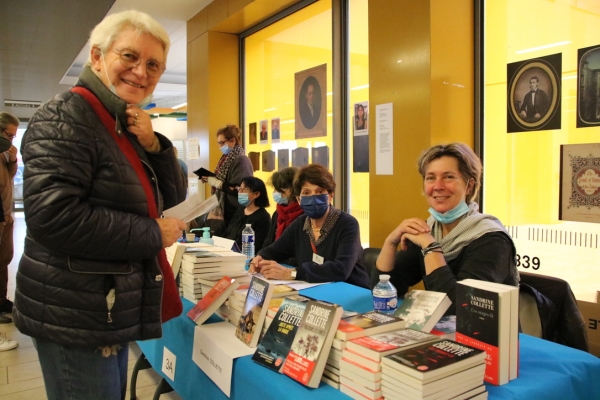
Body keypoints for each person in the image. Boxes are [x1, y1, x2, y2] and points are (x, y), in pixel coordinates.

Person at [13, 10, 187, 400]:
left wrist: (155, 146)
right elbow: (54, 217)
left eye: (153, 64)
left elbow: (170, 196)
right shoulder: (68, 116)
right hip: (77, 312)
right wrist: (152, 233)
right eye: (129, 56)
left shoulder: (118, 122)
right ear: (96, 57)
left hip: (100, 309)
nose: (141, 72)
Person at [375, 143, 518, 314]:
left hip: (488, 336)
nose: (438, 186)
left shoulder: (492, 240)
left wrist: (431, 248)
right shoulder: (430, 230)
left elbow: (459, 308)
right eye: (430, 178)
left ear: (469, 185)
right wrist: (391, 241)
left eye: (448, 177)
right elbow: (384, 290)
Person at [250, 164, 369, 288]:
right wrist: (260, 259)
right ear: (299, 199)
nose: (313, 197)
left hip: (350, 291)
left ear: (330, 196)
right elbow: (274, 250)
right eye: (306, 192)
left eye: (320, 191)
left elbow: (341, 269)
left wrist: (291, 273)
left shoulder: (347, 224)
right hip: (314, 291)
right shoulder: (300, 223)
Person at [200, 124, 253, 234]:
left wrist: (214, 182)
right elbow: (223, 181)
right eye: (218, 143)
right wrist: (210, 179)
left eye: (222, 142)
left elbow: (237, 188)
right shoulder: (225, 159)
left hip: (234, 209)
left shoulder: (241, 160)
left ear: (232, 141)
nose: (220, 146)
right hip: (225, 208)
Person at [0, 113, 19, 347]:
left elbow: (9, 178)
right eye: (8, 135)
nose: (11, 141)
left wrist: (13, 161)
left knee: (4, 259)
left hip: (6, 214)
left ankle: (2, 300)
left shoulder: (5, 154)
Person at [224, 176, 271, 252]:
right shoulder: (240, 210)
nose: (240, 192)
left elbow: (258, 246)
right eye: (240, 189)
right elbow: (228, 233)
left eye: (244, 190)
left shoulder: (263, 217)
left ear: (256, 194)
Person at [262, 167, 304, 250]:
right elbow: (268, 242)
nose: (275, 192)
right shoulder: (277, 213)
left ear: (293, 188)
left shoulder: (305, 214)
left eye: (278, 189)